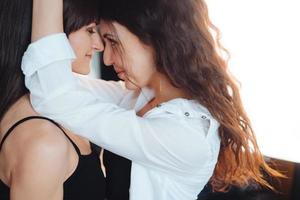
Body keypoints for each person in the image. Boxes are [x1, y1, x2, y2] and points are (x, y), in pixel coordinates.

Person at [22, 0, 282, 199]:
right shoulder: (140, 98)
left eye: (112, 40)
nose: (109, 59)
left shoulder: (186, 134)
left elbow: (53, 94)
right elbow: (58, 87)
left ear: (156, 38)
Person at [0, 0, 108, 199]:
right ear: (53, 32)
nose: (99, 45)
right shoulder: (44, 144)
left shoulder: (52, 109)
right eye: (90, 30)